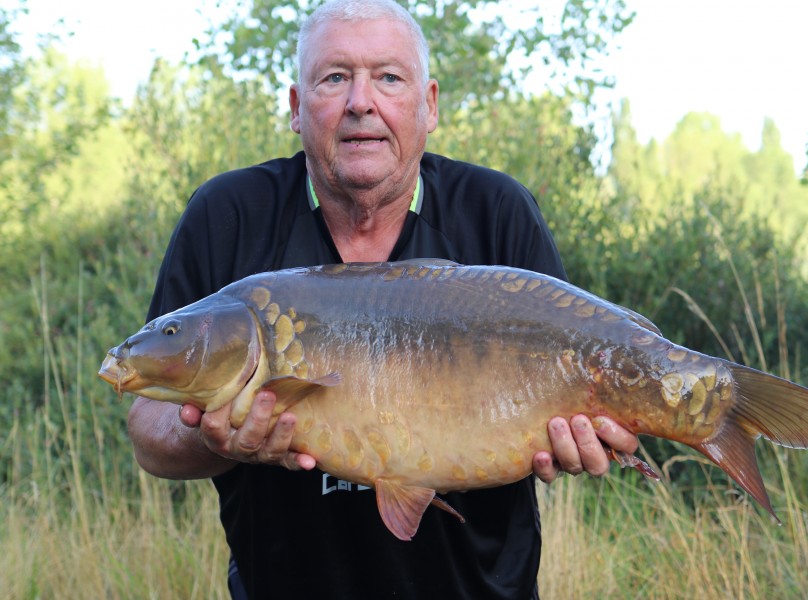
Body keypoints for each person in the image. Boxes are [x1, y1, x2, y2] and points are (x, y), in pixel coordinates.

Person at [127, 1, 639, 598]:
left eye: (389, 77)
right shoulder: (229, 215)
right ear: (296, 107)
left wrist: (589, 432)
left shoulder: (496, 211)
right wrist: (210, 438)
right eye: (335, 77)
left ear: (429, 105)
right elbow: (148, 432)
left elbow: (579, 377)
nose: (361, 102)